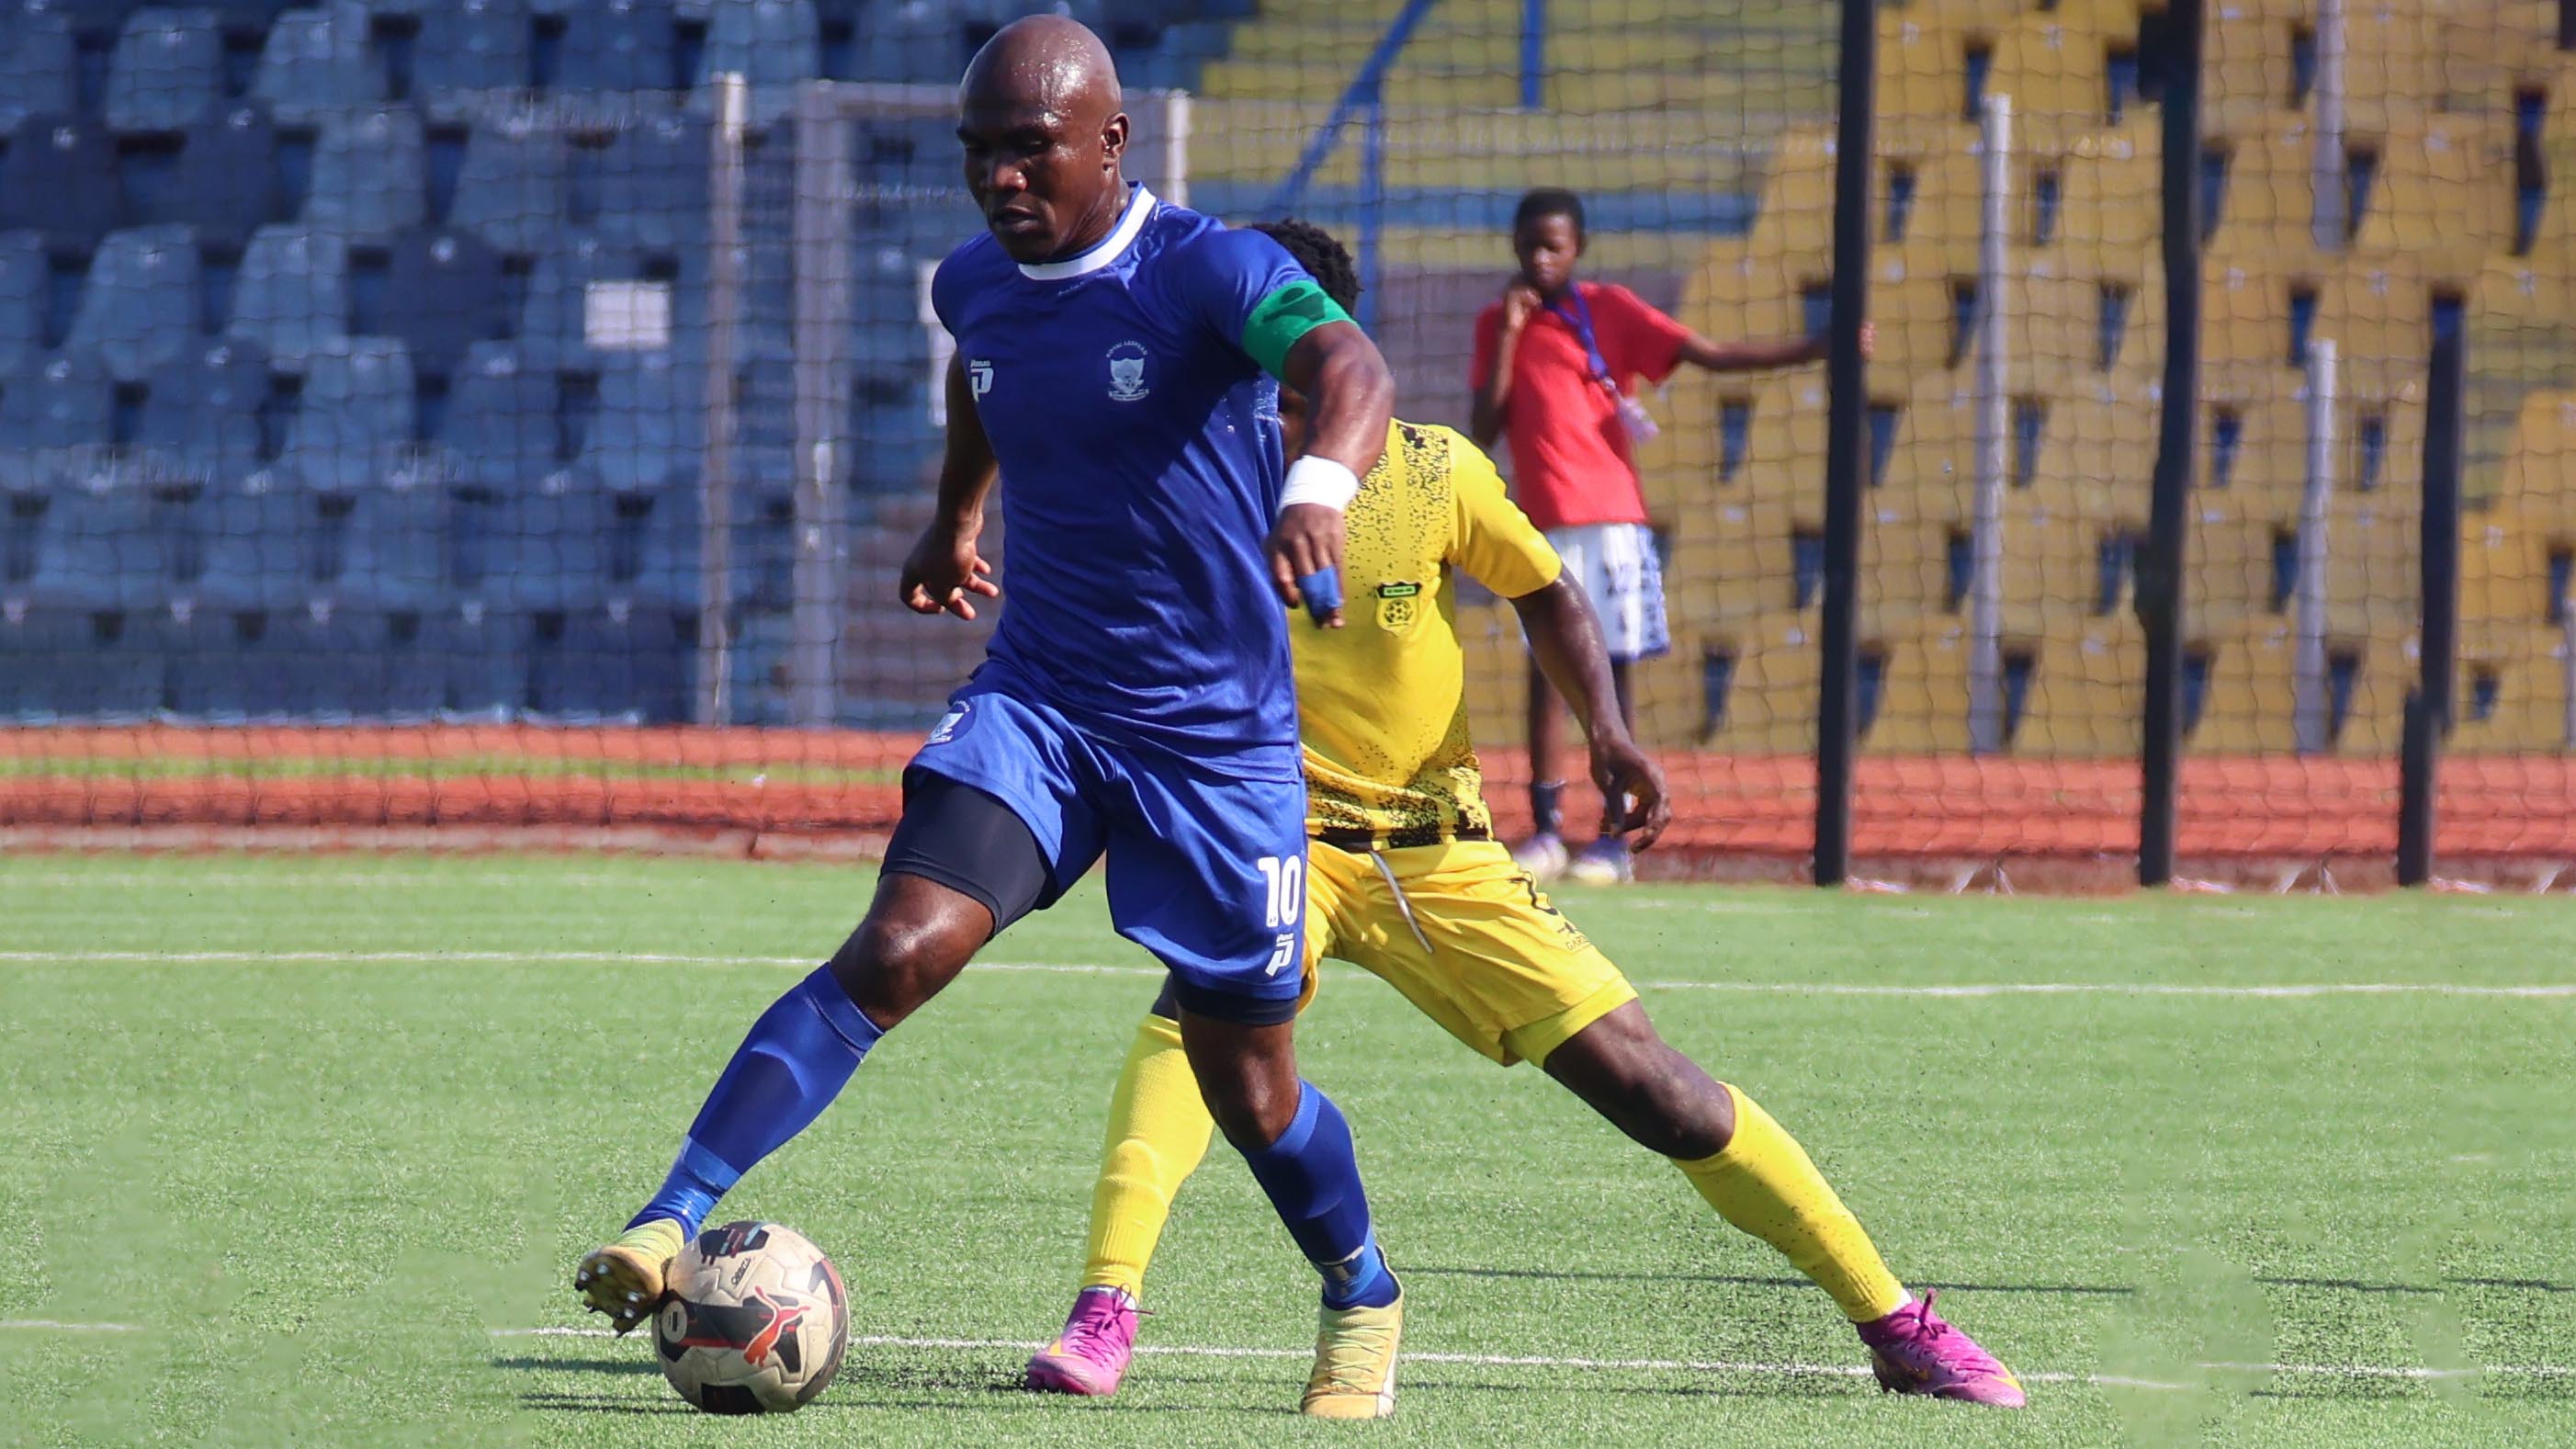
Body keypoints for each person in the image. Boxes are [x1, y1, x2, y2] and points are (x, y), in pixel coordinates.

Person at [1024, 220, 2023, 1409]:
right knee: (1192, 1025)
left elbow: (1547, 592)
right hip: (1270, 842)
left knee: (1656, 1086)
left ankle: (1892, 1318)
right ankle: (1105, 1306)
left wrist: (1607, 731)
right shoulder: (1181, 480)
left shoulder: (1432, 468)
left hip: (1438, 852)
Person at [572, 20, 1414, 1419]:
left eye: (1032, 148)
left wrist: (1316, 485)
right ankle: (669, 1215)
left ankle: (1362, 1291)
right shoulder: (971, 284)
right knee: (898, 949)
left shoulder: (1212, 269)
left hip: (1215, 741)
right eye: (980, 152)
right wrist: (954, 514)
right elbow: (986, 380)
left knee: (1248, 1085)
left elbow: (1354, 370)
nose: (1002, 178)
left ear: (1111, 141)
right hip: (1044, 701)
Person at [1470, 187, 1863, 884]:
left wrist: (1816, 346)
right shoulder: (1497, 323)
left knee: (1609, 674)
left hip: (1613, 519)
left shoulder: (1610, 309)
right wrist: (1506, 333)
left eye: (1552, 245)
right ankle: (1545, 830)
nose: (1538, 258)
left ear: (1578, 248)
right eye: (1528, 244)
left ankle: (1615, 837)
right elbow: (1484, 427)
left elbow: (1707, 354)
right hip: (1542, 523)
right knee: (1544, 674)